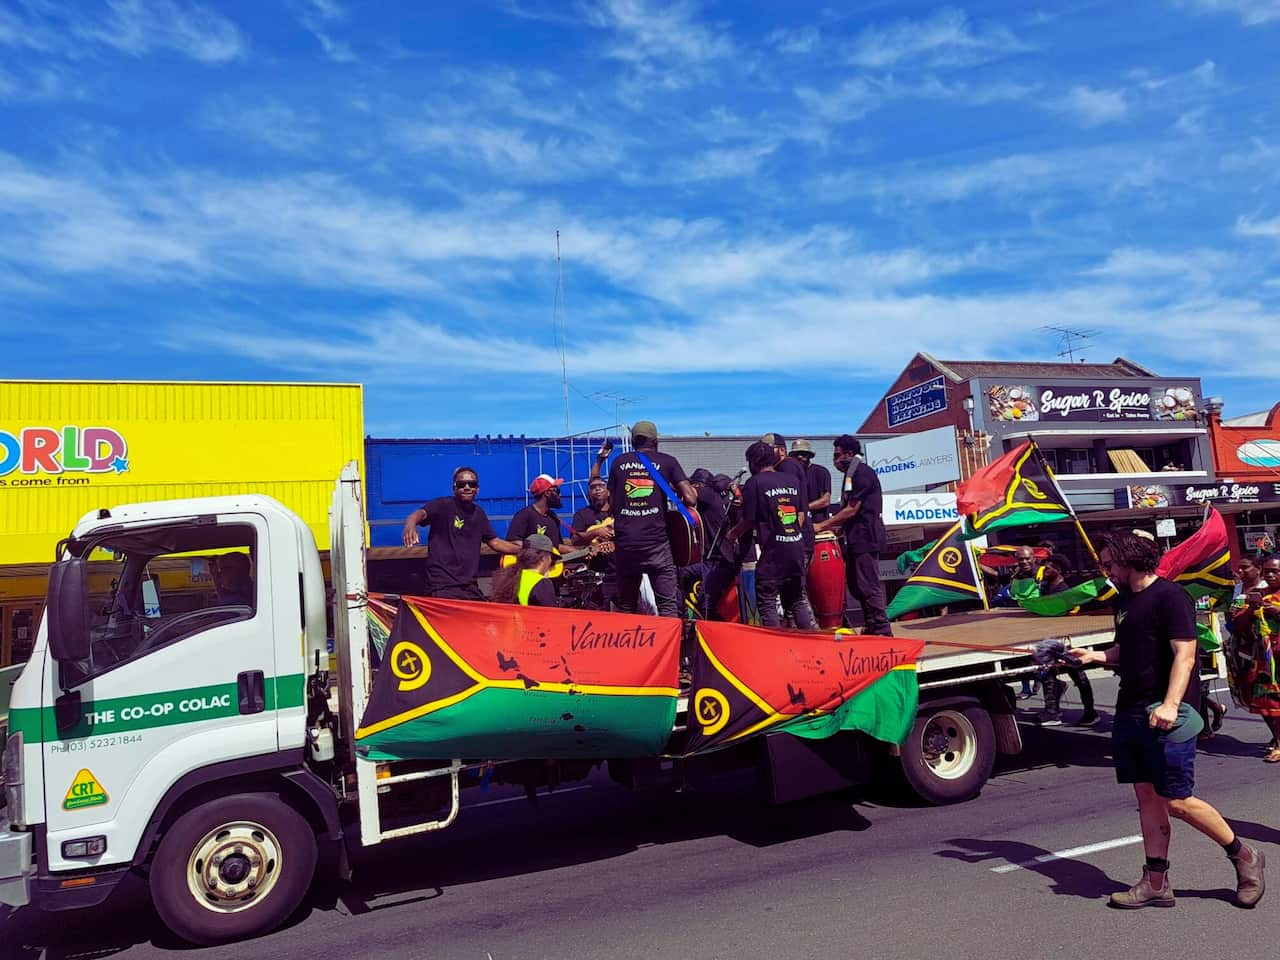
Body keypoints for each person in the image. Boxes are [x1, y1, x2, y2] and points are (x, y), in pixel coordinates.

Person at [1071, 531, 1265, 909]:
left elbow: (1185, 655)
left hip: (1170, 713)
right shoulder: (1126, 599)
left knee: (1176, 799)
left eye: (1109, 564)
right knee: (1147, 797)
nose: (1105, 570)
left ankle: (1244, 856)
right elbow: (1129, 647)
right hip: (1131, 708)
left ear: (1129, 561)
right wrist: (1094, 656)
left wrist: (1171, 704)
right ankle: (1156, 882)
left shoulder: (1171, 597)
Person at [607, 420, 697, 618]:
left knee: (627, 606)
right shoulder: (668, 461)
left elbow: (612, 506)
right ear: (655, 441)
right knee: (667, 605)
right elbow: (690, 498)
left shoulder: (618, 462)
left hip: (626, 545)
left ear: (633, 442)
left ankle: (629, 647)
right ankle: (671, 648)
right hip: (656, 544)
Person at [727, 441, 817, 630]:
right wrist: (790, 532)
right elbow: (801, 513)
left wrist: (732, 534)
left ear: (753, 462)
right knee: (796, 598)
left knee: (767, 598)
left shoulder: (754, 483)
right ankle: (810, 642)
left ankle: (775, 645)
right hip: (796, 547)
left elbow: (749, 520)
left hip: (774, 552)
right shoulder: (792, 480)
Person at [401, 466, 520, 600]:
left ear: (477, 489)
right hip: (442, 587)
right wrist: (410, 524)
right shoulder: (443, 505)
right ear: (454, 488)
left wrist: (523, 549)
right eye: (462, 484)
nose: (467, 487)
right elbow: (420, 513)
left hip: (469, 587)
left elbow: (496, 542)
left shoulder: (479, 514)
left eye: (472, 484)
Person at [815, 435, 892, 636]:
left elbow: (852, 509)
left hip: (867, 537)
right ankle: (872, 625)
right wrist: (839, 529)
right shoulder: (852, 474)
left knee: (868, 584)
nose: (835, 460)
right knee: (857, 585)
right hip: (856, 537)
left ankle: (882, 628)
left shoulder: (862, 474)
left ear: (849, 454)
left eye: (837, 455)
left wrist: (822, 525)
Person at [1017, 552, 1098, 727]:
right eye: (1045, 565)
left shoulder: (1064, 591)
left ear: (1059, 570)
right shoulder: (1045, 587)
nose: (1046, 569)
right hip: (1050, 639)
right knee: (1048, 674)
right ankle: (1052, 712)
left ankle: (1090, 712)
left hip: (1065, 639)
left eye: (1050, 566)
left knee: (1078, 675)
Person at [1228, 555, 1280, 759]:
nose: (1270, 575)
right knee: (1266, 702)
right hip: (1264, 659)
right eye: (1267, 571)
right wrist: (1251, 608)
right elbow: (1237, 624)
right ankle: (1277, 740)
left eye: (1275, 571)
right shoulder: (1256, 594)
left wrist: (1277, 612)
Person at [570, 475, 616, 609]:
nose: (597, 489)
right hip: (595, 572)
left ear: (608, 491)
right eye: (593, 487)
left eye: (601, 486)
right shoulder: (582, 515)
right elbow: (575, 540)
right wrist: (596, 532)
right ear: (589, 492)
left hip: (621, 570)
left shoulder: (618, 511)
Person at [490, 534, 560, 607]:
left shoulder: (509, 577)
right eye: (551, 558)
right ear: (544, 558)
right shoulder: (542, 583)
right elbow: (551, 614)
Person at [508, 474, 566, 546]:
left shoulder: (553, 517)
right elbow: (513, 542)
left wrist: (577, 552)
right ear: (547, 493)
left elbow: (556, 546)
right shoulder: (524, 515)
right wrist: (539, 549)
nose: (560, 495)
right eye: (557, 491)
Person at [790, 439, 832, 523]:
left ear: (809, 455)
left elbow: (825, 500)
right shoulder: (790, 475)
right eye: (796, 454)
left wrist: (803, 508)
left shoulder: (821, 472)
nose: (799, 457)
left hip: (818, 524)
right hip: (796, 523)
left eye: (803, 454)